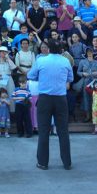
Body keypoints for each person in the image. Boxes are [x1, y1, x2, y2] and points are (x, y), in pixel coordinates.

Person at [27, 40, 73, 170]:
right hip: (60, 98)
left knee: (43, 131)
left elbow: (30, 75)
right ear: (60, 49)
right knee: (63, 131)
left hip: (45, 98)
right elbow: (70, 78)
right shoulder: (65, 61)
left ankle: (42, 162)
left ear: (48, 49)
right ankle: (67, 162)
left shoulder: (41, 61)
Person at [0, 46, 17, 111]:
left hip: (8, 80)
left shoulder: (9, 61)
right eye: (2, 52)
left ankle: (11, 112)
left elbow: (14, 68)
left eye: (5, 52)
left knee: (10, 95)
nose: (4, 53)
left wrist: (8, 59)